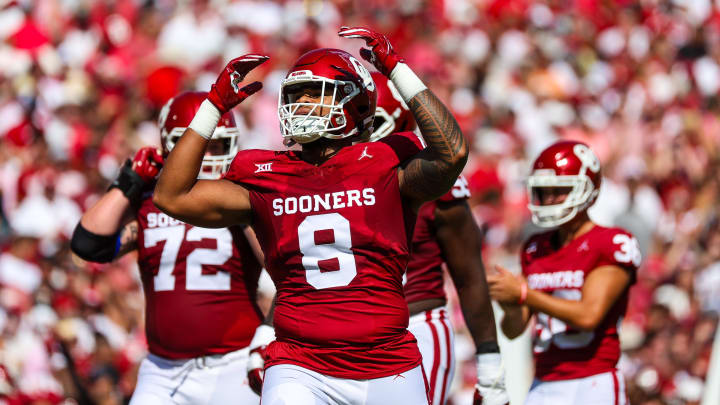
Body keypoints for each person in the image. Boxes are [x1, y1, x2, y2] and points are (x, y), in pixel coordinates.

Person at [153, 26, 468, 405]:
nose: (300, 105)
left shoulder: (385, 162)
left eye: (314, 94)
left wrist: (397, 68)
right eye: (294, 96)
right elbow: (171, 196)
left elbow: (452, 153)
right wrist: (213, 107)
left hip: (387, 360)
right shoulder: (266, 174)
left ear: (357, 103)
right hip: (300, 363)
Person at [70, 91, 267, 405]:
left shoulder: (239, 197)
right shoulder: (150, 201)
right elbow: (89, 243)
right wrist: (129, 182)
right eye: (199, 145)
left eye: (216, 145)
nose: (207, 156)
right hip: (163, 370)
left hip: (233, 364)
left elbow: (282, 269)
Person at [371, 72, 508, 405]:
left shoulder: (428, 179)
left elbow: (470, 275)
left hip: (415, 328)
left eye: (367, 119)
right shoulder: (334, 177)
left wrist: (490, 362)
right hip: (353, 334)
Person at [487, 141, 642, 405]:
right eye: (544, 191)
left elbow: (588, 315)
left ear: (586, 189)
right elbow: (514, 330)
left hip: (593, 380)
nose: (549, 199)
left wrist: (524, 294)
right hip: (544, 380)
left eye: (559, 190)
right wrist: (511, 303)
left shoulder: (610, 242)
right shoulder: (535, 248)